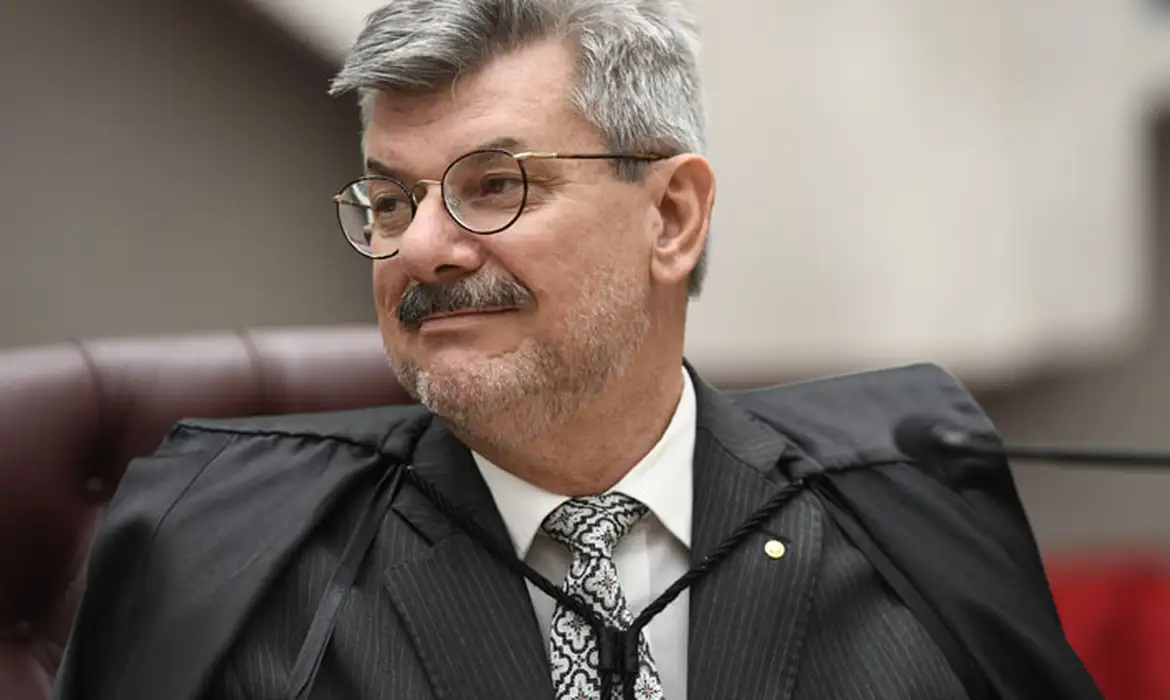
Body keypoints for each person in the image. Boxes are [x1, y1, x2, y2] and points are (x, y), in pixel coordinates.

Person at [53, 1, 1102, 699]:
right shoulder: (228, 558)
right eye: (390, 199)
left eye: (495, 185)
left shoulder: (908, 508)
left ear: (673, 217)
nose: (419, 247)